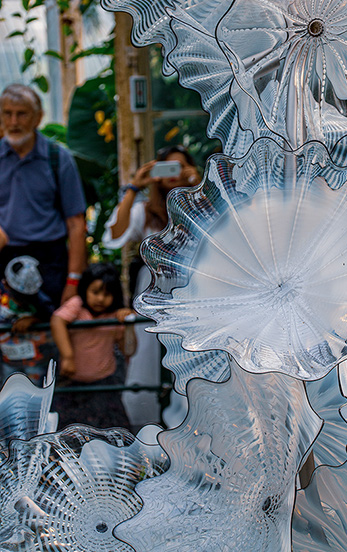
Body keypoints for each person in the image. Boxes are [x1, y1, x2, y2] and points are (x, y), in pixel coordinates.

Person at [102, 144, 200, 426]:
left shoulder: (200, 206)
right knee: (147, 357)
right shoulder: (145, 212)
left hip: (192, 292)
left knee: (189, 355)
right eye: (167, 168)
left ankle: (190, 420)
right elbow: (114, 236)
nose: (173, 175)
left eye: (180, 167)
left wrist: (198, 184)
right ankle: (148, 426)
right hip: (153, 293)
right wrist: (134, 186)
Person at [0, 84, 86, 305]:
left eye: (22, 114)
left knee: (49, 324)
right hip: (4, 259)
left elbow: (76, 223)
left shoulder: (58, 158)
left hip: (49, 262)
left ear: (38, 118)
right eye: (7, 113)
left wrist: (73, 281)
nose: (13, 122)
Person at [50, 262, 134, 429]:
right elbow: (57, 320)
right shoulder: (77, 305)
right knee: (68, 431)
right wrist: (68, 357)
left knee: (112, 431)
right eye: (95, 292)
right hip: (72, 383)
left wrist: (129, 325)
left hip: (103, 383)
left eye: (107, 294)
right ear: (85, 289)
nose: (100, 299)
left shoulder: (115, 315)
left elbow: (129, 350)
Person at [0, 255, 55, 385]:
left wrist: (33, 320)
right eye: (19, 296)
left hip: (34, 362)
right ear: (6, 284)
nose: (22, 300)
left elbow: (51, 316)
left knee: (33, 389)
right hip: (8, 360)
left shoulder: (42, 301)